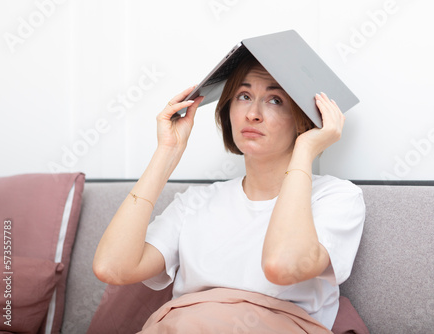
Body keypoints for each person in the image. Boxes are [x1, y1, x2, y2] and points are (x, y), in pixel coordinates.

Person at [93, 54, 366, 333]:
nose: (252, 114)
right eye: (243, 96)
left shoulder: (336, 197)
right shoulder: (196, 202)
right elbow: (112, 267)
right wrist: (167, 152)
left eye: (275, 100)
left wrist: (305, 150)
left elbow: (281, 265)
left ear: (303, 119)